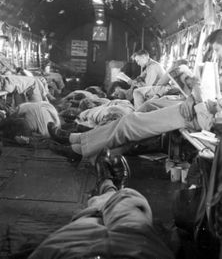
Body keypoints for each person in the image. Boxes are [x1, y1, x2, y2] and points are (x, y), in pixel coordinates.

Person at [48, 64, 215, 163]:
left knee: (129, 123)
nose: (216, 54)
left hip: (201, 117)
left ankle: (78, 146)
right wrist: (192, 96)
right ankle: (78, 144)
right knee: (134, 118)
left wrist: (195, 96)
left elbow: (213, 111)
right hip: (198, 110)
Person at [28, 149, 175, 259]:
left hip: (70, 250)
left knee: (90, 218)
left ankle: (107, 185)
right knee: (128, 206)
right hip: (138, 250)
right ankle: (110, 187)